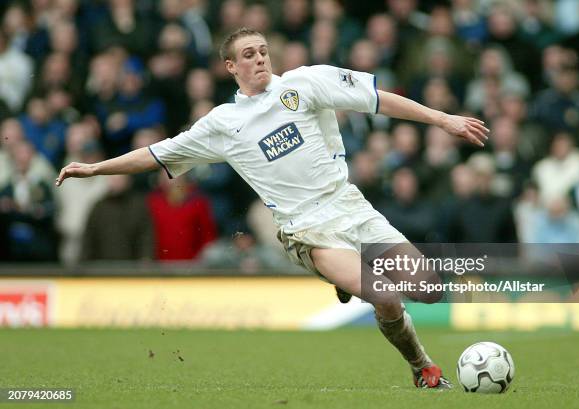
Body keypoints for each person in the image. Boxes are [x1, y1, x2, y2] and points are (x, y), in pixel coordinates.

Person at [56, 27, 488, 389]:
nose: (260, 59)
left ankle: (345, 279)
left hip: (350, 207)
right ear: (231, 67)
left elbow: (377, 98)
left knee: (429, 289)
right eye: (248, 54)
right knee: (385, 296)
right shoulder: (222, 124)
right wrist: (95, 169)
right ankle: (423, 369)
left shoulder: (304, 82)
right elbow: (156, 153)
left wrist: (442, 119)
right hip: (306, 228)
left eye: (263, 51)